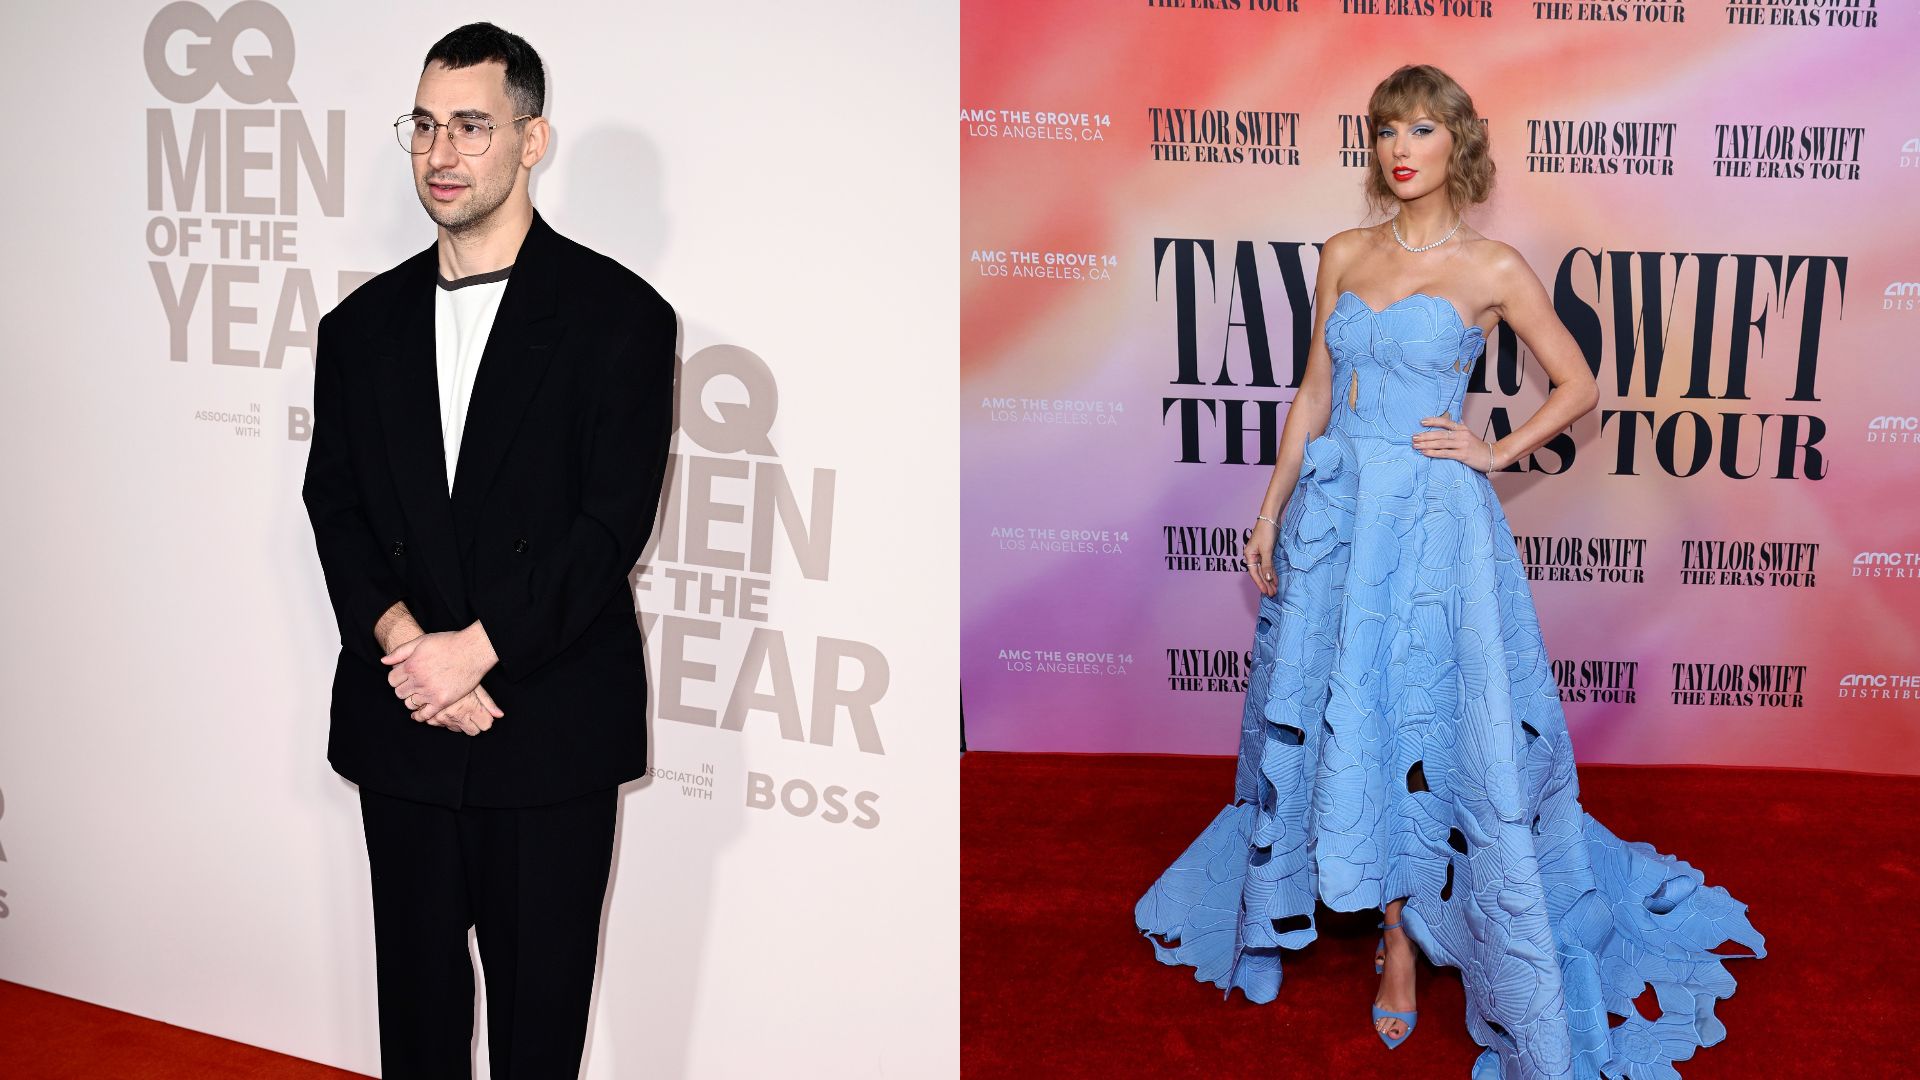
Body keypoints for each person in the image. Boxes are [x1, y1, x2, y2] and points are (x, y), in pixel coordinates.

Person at [1132, 64, 1765, 1077]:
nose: (1400, 145)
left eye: (1421, 126)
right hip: (1339, 521)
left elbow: (1580, 383)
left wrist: (1495, 451)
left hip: (1433, 529)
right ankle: (1378, 921)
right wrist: (1270, 507)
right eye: (1387, 127)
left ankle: (1416, 934)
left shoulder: (1495, 269)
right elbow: (1310, 396)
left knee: (1423, 723)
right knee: (1348, 715)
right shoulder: (1342, 253)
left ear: (1455, 142)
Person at [301, 22, 677, 1079]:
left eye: (472, 124)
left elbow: (610, 526)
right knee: (415, 1032)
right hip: (405, 719)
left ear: (533, 138)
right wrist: (407, 645)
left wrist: (479, 650)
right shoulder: (359, 329)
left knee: (536, 1037)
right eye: (423, 126)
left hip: (545, 725)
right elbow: (335, 508)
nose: (442, 153)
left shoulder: (621, 319)